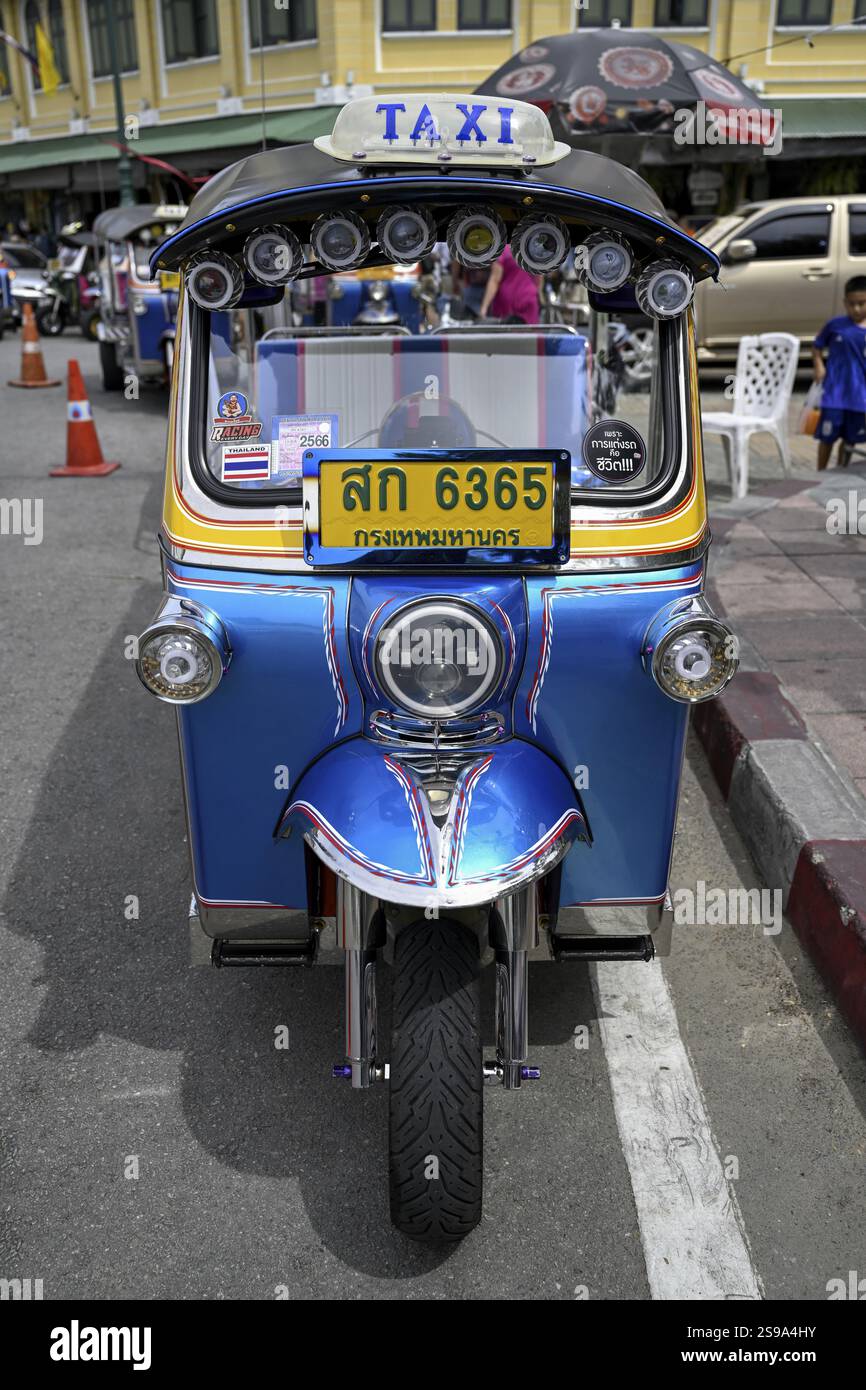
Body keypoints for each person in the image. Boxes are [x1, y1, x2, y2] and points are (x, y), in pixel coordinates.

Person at [812, 275, 866, 470]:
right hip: (834, 395)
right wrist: (819, 364)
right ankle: (820, 473)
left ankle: (841, 471)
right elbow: (817, 345)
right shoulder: (835, 325)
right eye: (852, 304)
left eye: (862, 303)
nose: (857, 309)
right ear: (845, 303)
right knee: (827, 438)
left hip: (860, 398)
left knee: (850, 439)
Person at [478, 245, 540, 324]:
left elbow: (495, 279)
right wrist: (537, 293)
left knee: (507, 333)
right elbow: (538, 277)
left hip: (507, 299)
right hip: (529, 297)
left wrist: (484, 308)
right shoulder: (532, 248)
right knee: (530, 333)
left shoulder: (502, 250)